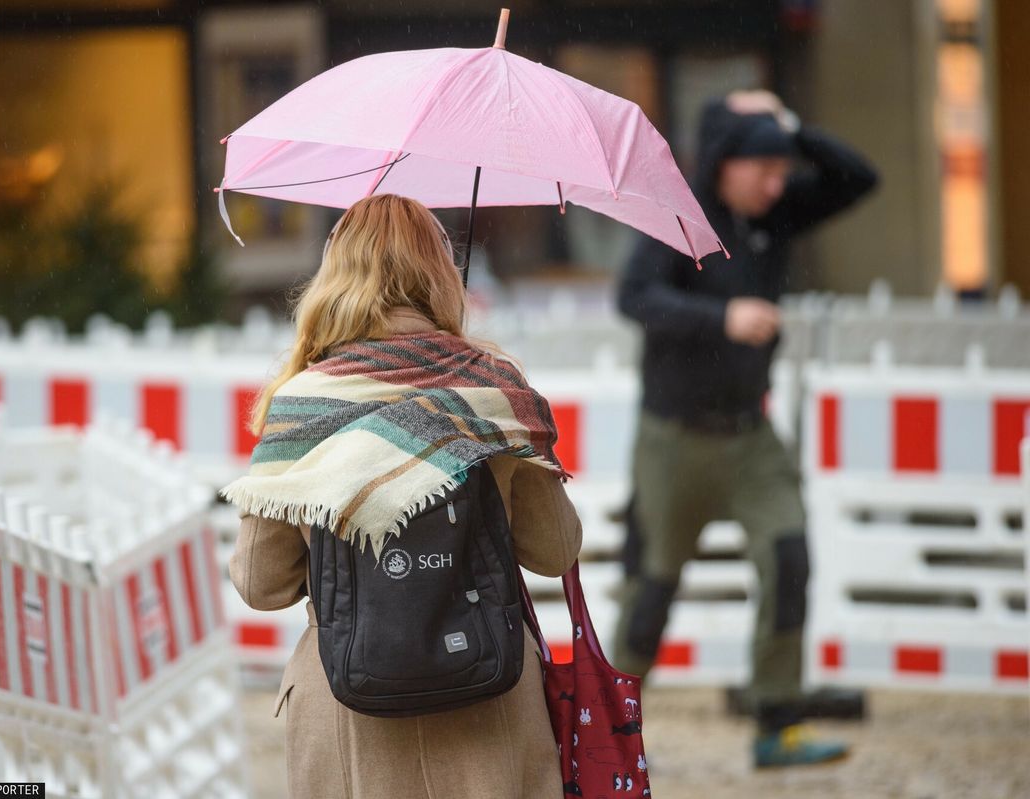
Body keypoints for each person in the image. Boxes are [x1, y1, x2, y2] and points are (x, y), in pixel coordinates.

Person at [224, 194, 583, 798]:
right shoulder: (493, 391)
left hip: (349, 712)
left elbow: (262, 584)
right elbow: (554, 550)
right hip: (487, 701)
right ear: (440, 275)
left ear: (334, 275)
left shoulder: (306, 402)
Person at [613, 90, 878, 768]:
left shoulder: (778, 211)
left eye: (781, 167)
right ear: (724, 164)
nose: (776, 181)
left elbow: (859, 178)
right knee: (653, 589)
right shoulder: (676, 213)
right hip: (674, 438)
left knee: (789, 556)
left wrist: (791, 123)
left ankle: (777, 722)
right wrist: (723, 318)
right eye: (761, 166)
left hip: (751, 435)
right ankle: (604, 729)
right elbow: (633, 296)